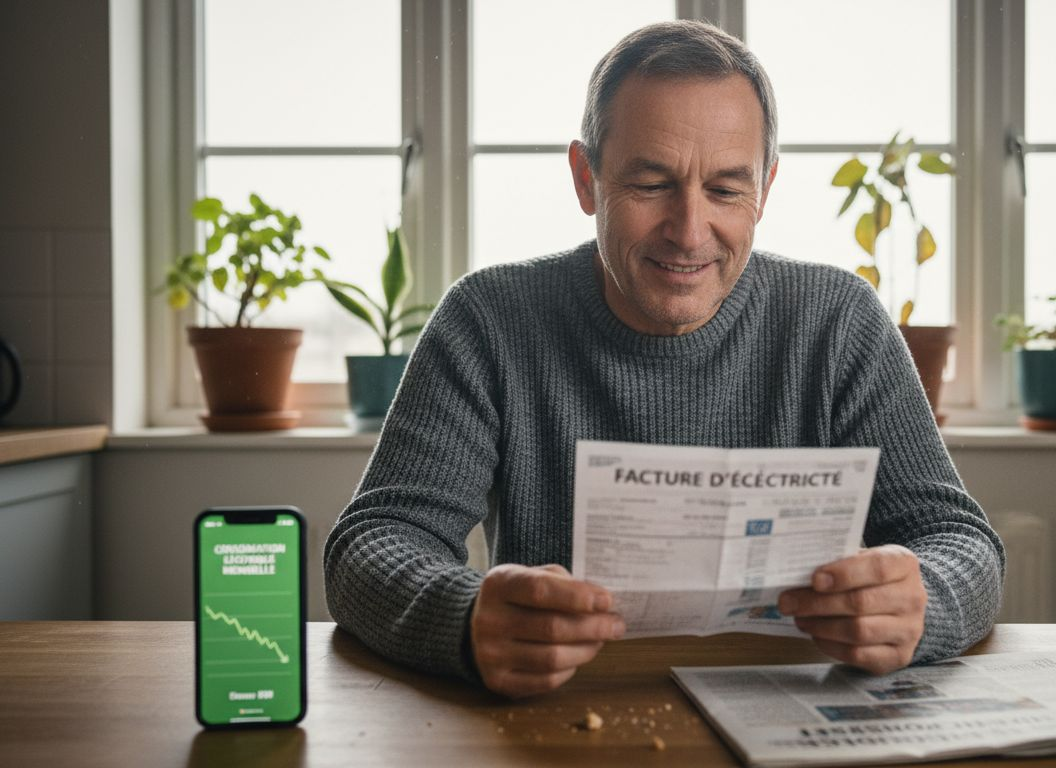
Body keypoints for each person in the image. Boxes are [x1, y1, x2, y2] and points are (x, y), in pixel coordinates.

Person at [324, 20, 1003, 700]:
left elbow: (958, 540)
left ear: (765, 187)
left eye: (727, 189)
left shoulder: (838, 321)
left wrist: (924, 601)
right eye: (651, 184)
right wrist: (465, 617)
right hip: (560, 718)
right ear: (586, 179)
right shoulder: (490, 320)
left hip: (794, 710)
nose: (689, 231)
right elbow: (372, 544)